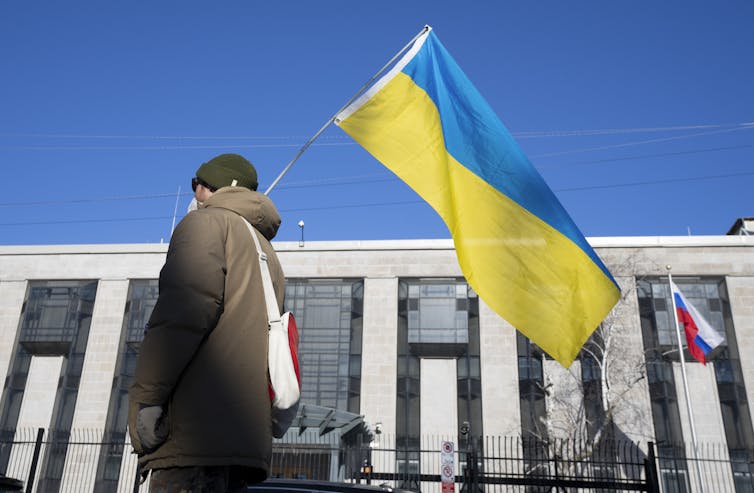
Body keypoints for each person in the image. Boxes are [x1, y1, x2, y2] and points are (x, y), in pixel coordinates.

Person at [128, 153, 285, 492]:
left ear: (207, 187)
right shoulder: (266, 251)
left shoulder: (205, 224)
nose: (194, 194)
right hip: (242, 440)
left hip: (193, 433)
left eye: (195, 185)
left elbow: (182, 315)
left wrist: (148, 400)